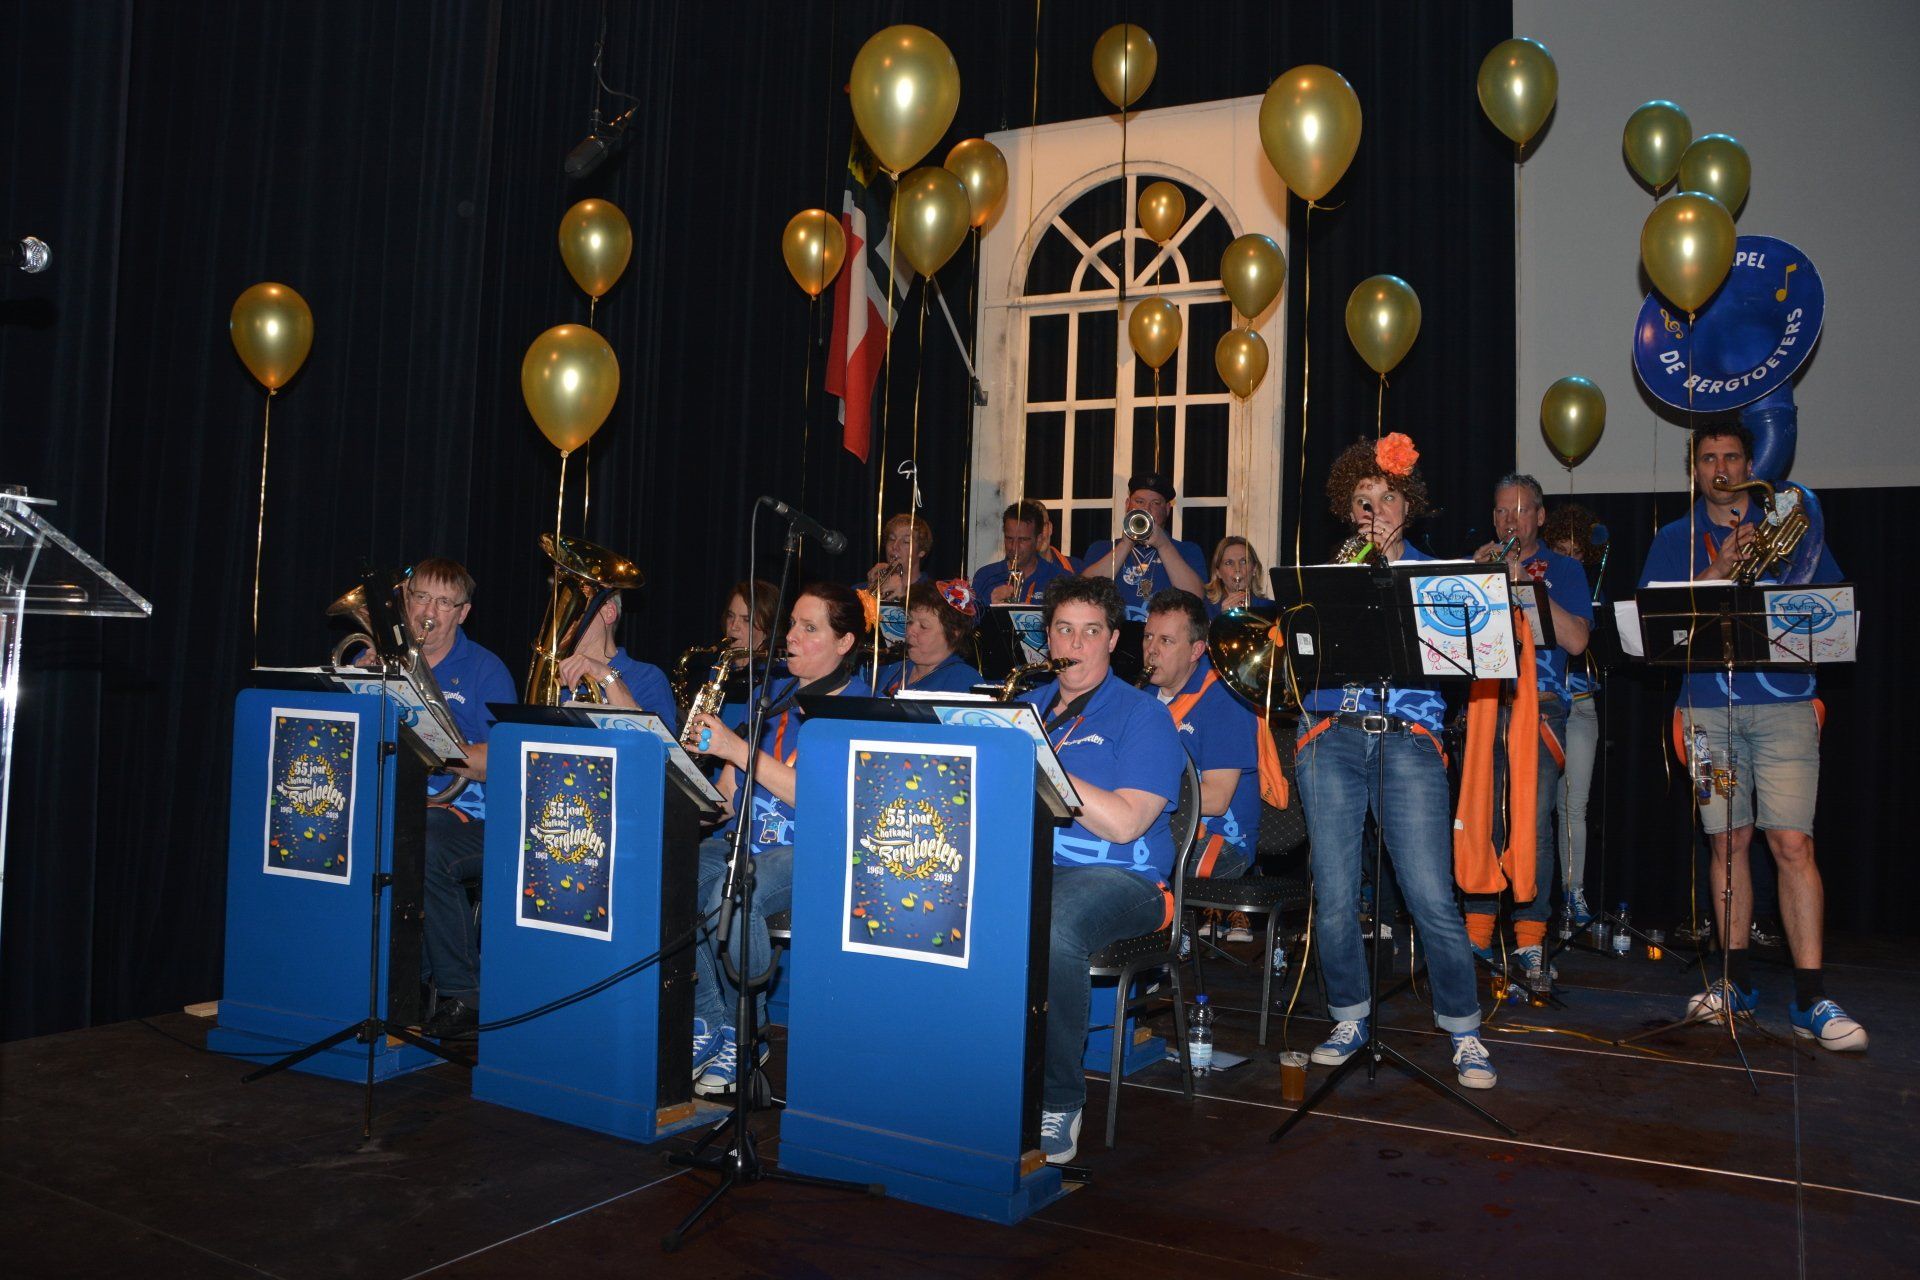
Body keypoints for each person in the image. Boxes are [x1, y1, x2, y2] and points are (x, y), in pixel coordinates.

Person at [1638, 425, 1864, 1051]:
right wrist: (1718, 568)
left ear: (1749, 465)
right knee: (1727, 841)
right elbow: (1659, 630)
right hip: (1708, 711)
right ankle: (1733, 982)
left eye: (1732, 456)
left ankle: (1812, 997)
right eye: (1708, 458)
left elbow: (1831, 609)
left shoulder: (1793, 531)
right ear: (1694, 469)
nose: (1720, 467)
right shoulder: (1673, 540)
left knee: (1792, 844)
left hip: (1785, 705)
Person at [1293, 435, 1496, 1090]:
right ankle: (1349, 1016)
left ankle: (1463, 1029)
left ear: (1408, 506)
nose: (1374, 511)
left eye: (1386, 498)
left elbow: (1469, 662)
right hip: (1332, 735)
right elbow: (1298, 661)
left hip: (1407, 738)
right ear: (1349, 512)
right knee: (1334, 894)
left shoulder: (1441, 578)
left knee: (1430, 894)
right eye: (1363, 501)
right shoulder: (1327, 579)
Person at [1019, 576, 1186, 1163]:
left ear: (1113, 640)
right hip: (1032, 867)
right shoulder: (1026, 707)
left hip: (1128, 881)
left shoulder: (1143, 716)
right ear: (1047, 638)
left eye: (1091, 632)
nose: (1076, 643)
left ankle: (1058, 1099)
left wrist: (1037, 757)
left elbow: (1124, 824)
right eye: (1064, 629)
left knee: (1054, 926)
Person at [682, 582, 873, 1093]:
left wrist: (736, 748)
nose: (791, 637)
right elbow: (728, 798)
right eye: (792, 625)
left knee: (732, 894)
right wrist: (683, 790)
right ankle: (711, 1021)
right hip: (744, 840)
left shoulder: (860, 708)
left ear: (844, 643)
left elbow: (824, 799)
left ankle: (746, 1032)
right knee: (671, 877)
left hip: (814, 851)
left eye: (809, 628)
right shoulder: (772, 698)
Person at [1461, 475, 1593, 993]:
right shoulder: (1478, 561)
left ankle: (1530, 939)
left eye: (1518, 511)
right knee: (1480, 817)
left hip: (1541, 707)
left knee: (1532, 821)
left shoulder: (1565, 569)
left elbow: (1577, 641)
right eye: (1500, 511)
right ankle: (1475, 934)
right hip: (1485, 703)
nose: (1508, 521)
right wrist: (1475, 581)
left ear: (1540, 516)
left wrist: (1523, 587)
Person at [408, 557, 517, 1040]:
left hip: (472, 813)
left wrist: (434, 748)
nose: (428, 611)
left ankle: (463, 993)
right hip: (400, 804)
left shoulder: (485, 670)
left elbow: (500, 760)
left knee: (426, 841)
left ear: (463, 613)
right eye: (420, 597)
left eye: (443, 602)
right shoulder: (382, 661)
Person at [1142, 588, 1260, 881]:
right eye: (1148, 636)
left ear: (1196, 650)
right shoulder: (1141, 696)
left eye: (1166, 640)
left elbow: (1217, 798)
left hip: (1220, 842)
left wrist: (1135, 795)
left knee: (1122, 856)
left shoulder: (1225, 701)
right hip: (1162, 824)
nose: (1151, 649)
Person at [1541, 503, 1604, 929]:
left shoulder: (1583, 592)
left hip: (1580, 705)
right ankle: (1532, 897)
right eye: (1561, 550)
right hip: (1544, 707)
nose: (1570, 558)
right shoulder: (1543, 584)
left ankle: (1573, 890)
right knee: (1537, 807)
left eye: (1576, 552)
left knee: (1573, 805)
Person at [1080, 473, 1208, 621]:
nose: (1146, 509)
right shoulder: (1101, 548)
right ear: (1127, 504)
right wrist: (1126, 544)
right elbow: (1084, 592)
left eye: (1156, 503)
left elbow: (1195, 597)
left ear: (1167, 509)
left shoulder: (1187, 550)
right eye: (1139, 501)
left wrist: (1164, 546)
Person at [553, 591, 678, 729]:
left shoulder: (648, 677)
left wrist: (606, 676)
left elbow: (660, 741)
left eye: (575, 610)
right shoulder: (554, 677)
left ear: (609, 613)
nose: (562, 621)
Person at [875, 580, 984, 694]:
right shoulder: (894, 671)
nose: (910, 630)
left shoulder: (963, 680)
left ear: (953, 632)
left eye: (923, 626)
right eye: (909, 621)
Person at [971, 500, 1072, 605]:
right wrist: (989, 604)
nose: (1014, 547)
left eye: (1023, 540)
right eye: (1009, 538)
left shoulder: (1062, 580)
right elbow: (971, 614)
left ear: (1039, 540)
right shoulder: (986, 576)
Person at [860, 513, 933, 602]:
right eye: (892, 539)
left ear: (921, 551)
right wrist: (868, 595)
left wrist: (902, 597)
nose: (894, 546)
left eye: (906, 541)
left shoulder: (934, 594)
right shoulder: (861, 590)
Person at [1203, 536, 1273, 617]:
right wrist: (1223, 619)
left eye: (1244, 561)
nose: (1237, 569)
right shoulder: (1204, 610)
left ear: (1254, 569)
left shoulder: (1270, 609)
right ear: (1218, 572)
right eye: (1229, 563)